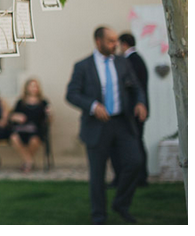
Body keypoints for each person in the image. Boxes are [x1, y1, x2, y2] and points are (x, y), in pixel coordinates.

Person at [66, 26, 147, 225]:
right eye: (111, 41)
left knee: (135, 162)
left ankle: (120, 203)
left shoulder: (122, 63)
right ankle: (99, 217)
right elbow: (71, 94)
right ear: (98, 41)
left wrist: (140, 102)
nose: (115, 44)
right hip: (96, 125)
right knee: (97, 174)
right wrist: (92, 106)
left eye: (116, 40)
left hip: (122, 123)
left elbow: (136, 87)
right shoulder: (82, 66)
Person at [110, 33, 150, 188]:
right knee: (137, 142)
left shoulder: (130, 61)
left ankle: (140, 177)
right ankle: (138, 177)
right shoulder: (137, 59)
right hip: (136, 109)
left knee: (136, 143)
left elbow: (134, 88)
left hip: (134, 110)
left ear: (124, 44)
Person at [9, 78, 51, 173]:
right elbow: (12, 116)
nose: (34, 88)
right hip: (22, 129)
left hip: (36, 130)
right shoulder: (21, 102)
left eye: (35, 86)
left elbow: (48, 120)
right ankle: (29, 161)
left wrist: (50, 115)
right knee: (14, 138)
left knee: (34, 141)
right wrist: (17, 117)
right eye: (31, 86)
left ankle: (26, 163)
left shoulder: (43, 102)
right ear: (27, 88)